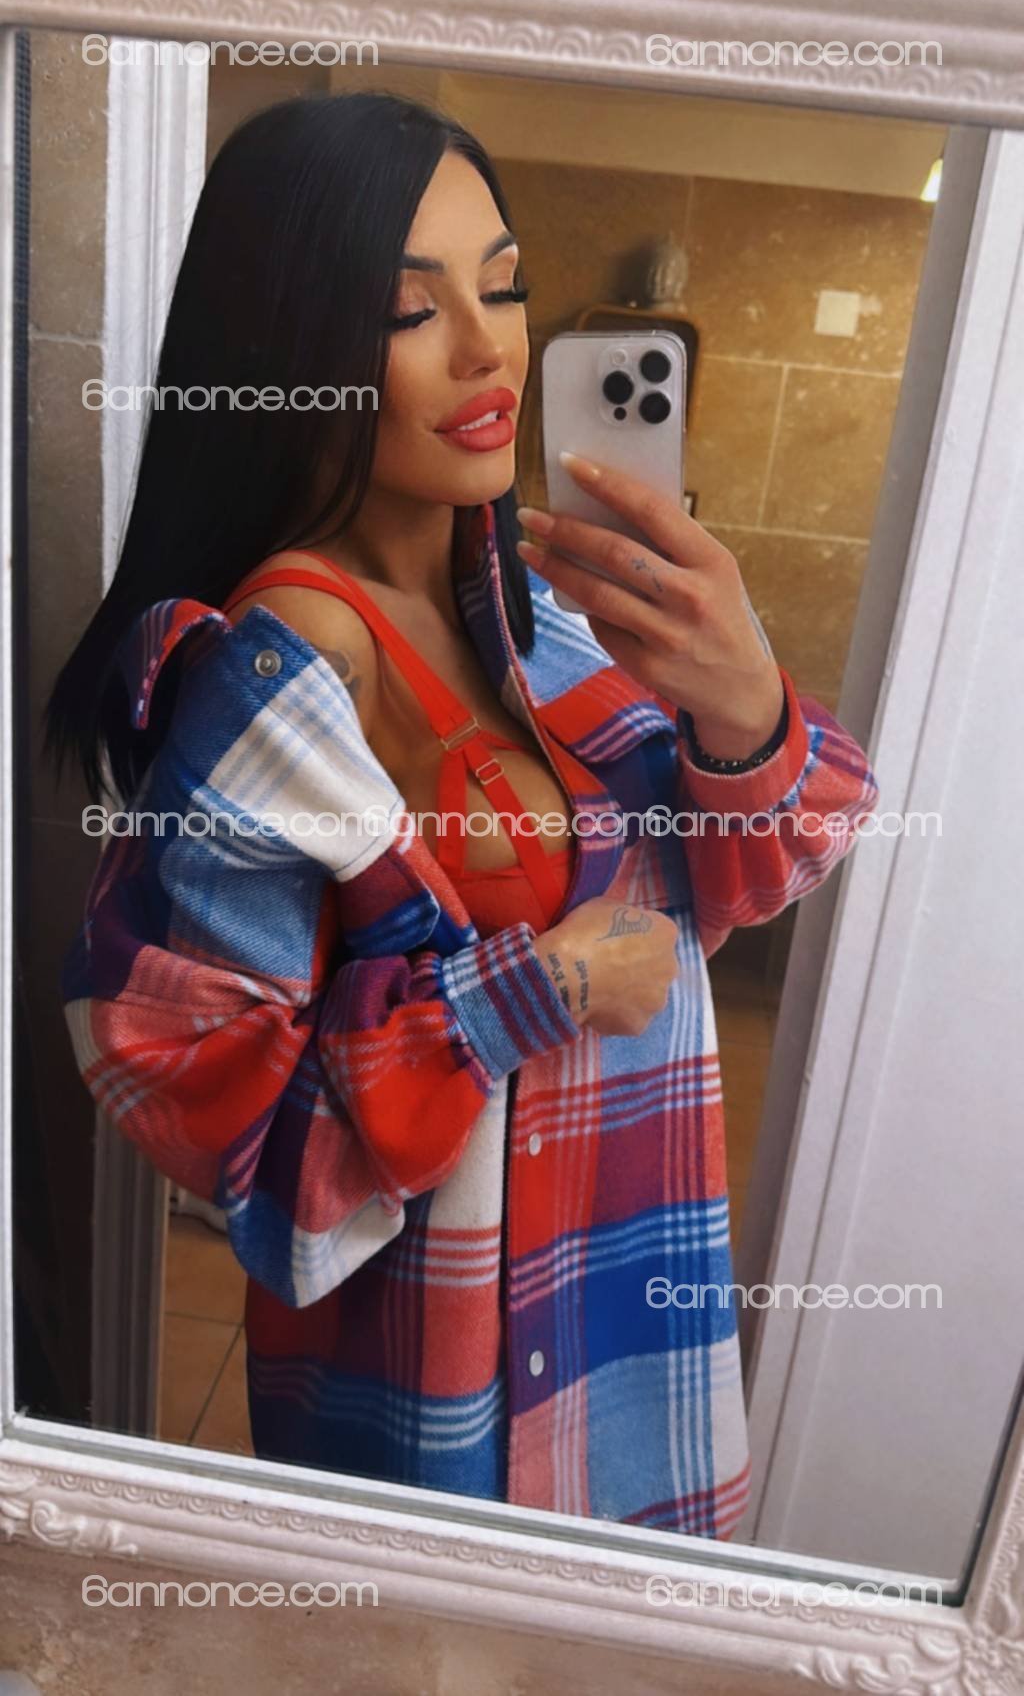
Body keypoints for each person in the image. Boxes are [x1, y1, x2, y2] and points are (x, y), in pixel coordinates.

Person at [46, 91, 879, 1539]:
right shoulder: (285, 667)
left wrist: (745, 702)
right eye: (409, 309)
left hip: (631, 1311)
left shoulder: (546, 616)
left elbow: (740, 885)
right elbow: (228, 1126)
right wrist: (538, 989)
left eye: (504, 285)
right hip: (442, 1382)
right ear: (286, 342)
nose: (490, 347)